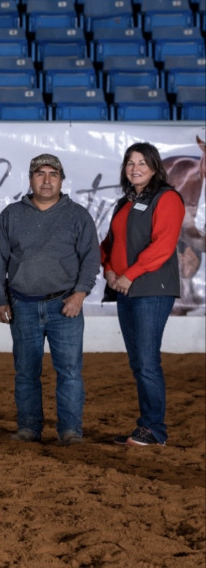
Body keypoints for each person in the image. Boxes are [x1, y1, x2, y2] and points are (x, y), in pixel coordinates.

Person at [0, 154, 100, 446]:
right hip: (22, 305)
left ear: (62, 180)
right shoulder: (11, 215)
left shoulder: (77, 216)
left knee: (70, 372)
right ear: (30, 179)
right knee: (26, 372)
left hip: (65, 305)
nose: (47, 180)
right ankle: (28, 428)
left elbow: (91, 260)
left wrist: (79, 295)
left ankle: (71, 431)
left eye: (53, 174)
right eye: (40, 174)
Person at [102, 142, 184, 447]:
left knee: (147, 362)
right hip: (125, 288)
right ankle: (146, 425)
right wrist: (109, 270)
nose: (135, 168)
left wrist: (129, 275)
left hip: (151, 289)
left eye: (141, 163)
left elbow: (162, 246)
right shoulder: (124, 203)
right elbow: (109, 244)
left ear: (154, 167)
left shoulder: (167, 197)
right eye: (130, 163)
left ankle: (154, 430)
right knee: (139, 362)